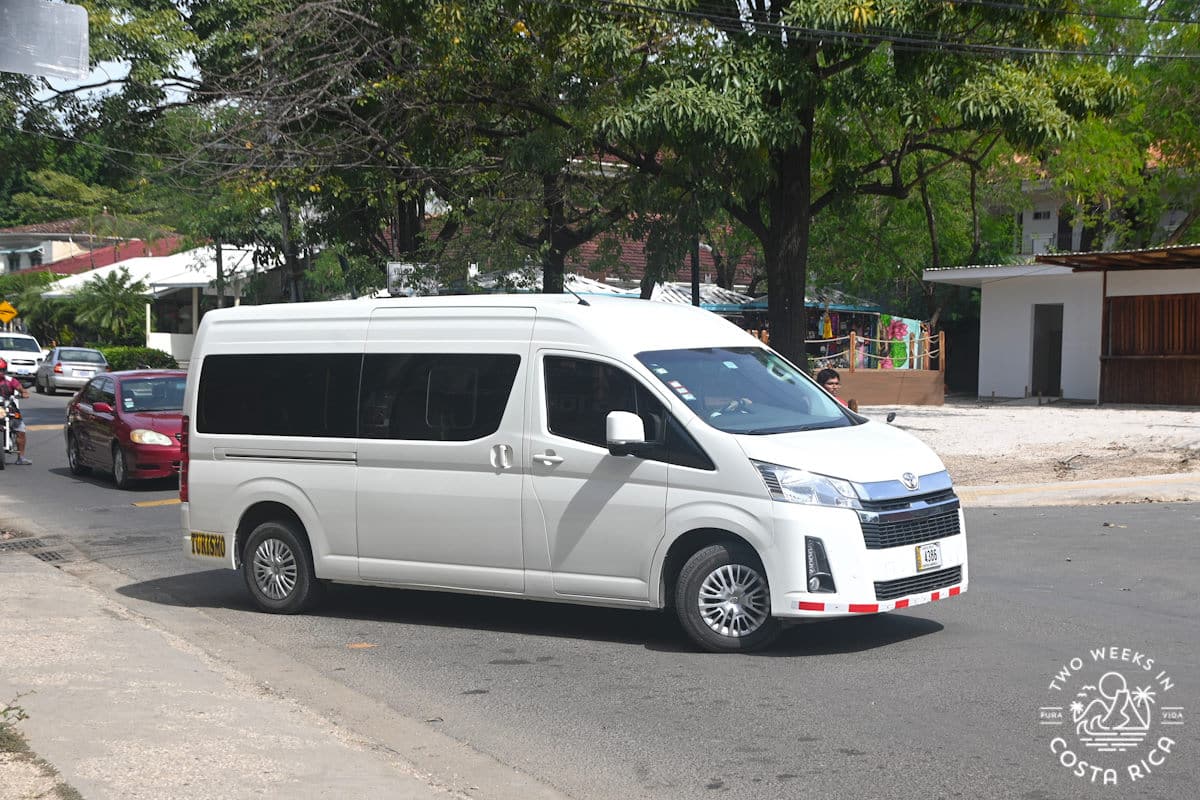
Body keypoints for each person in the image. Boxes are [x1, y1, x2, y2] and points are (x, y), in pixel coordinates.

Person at [0, 357, 33, 464]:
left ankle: (21, 457)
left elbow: (21, 389)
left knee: (21, 429)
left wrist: (24, 393)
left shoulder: (11, 381)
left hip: (8, 407)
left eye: (2, 370)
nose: (0, 372)